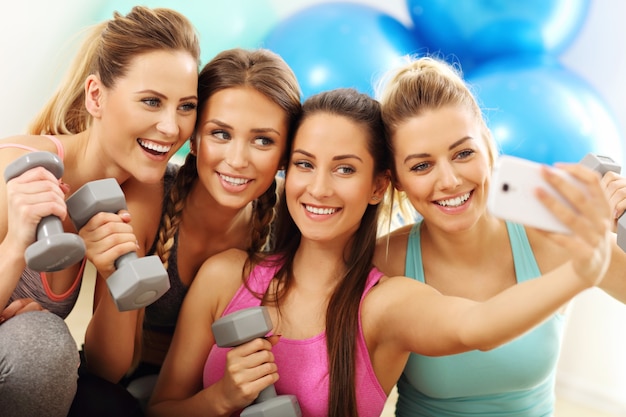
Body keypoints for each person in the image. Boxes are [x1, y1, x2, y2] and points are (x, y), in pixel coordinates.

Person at [145, 87, 614, 417]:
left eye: (345, 169)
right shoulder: (225, 276)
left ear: (378, 187)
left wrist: (586, 267)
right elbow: (161, 407)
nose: (320, 188)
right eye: (305, 164)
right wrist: (222, 398)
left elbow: (477, 327)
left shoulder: (386, 302)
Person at [373, 56, 626, 416]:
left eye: (463, 153)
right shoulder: (383, 262)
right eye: (421, 165)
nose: (449, 181)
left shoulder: (550, 238)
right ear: (396, 178)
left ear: (488, 146)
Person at [71, 48, 302, 413]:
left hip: (210, 388)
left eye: (263, 140)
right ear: (193, 138)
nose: (237, 159)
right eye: (220, 134)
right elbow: (104, 369)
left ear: (285, 154)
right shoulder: (147, 198)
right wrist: (115, 274)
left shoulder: (282, 238)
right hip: (122, 384)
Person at [0, 6, 200, 417]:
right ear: (96, 96)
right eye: (151, 101)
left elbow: (108, 368)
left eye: (186, 106)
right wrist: (16, 245)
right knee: (43, 346)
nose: (171, 127)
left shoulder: (141, 191)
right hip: (28, 363)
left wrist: (114, 276)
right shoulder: (18, 168)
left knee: (113, 405)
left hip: (34, 374)